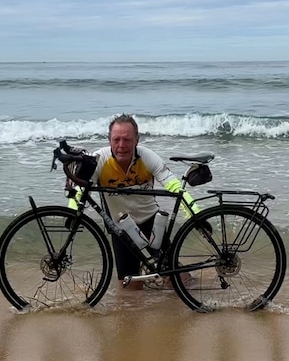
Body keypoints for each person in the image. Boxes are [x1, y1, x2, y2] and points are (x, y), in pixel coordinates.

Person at [69, 114, 200, 289]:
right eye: (116, 139)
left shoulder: (147, 157)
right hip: (121, 229)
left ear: (137, 140)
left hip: (152, 223)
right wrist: (72, 212)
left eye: (127, 140)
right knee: (130, 290)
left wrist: (196, 215)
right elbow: (79, 190)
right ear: (109, 140)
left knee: (180, 282)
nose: (121, 145)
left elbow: (176, 187)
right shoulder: (99, 160)